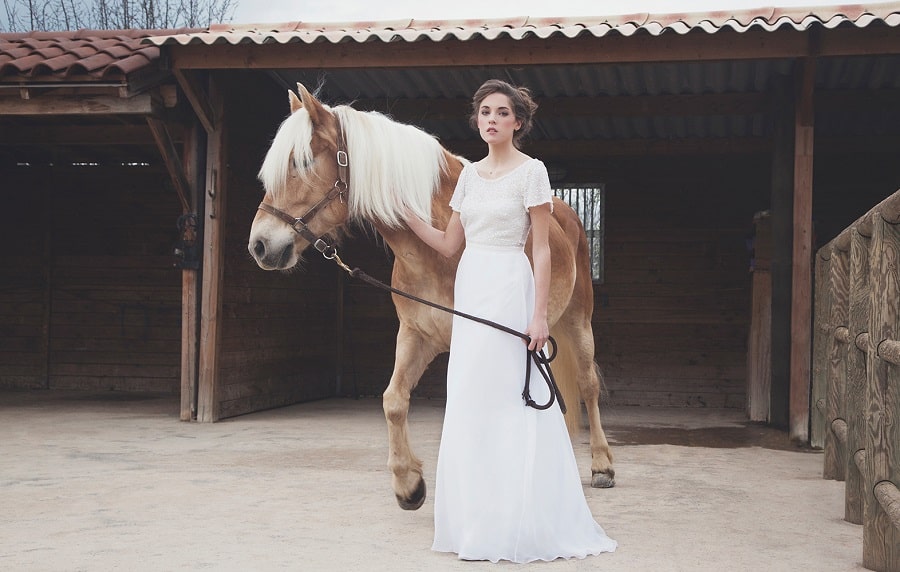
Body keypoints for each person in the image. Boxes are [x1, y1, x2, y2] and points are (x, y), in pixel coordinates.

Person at [403, 79, 617, 563]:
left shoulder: (532, 172)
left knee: (512, 400)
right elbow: (449, 245)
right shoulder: (469, 177)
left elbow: (540, 249)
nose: (492, 119)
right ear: (477, 121)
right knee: (471, 398)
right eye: (485, 112)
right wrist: (410, 219)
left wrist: (538, 315)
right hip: (472, 288)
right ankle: (478, 521)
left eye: (502, 112)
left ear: (518, 122)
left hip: (510, 286)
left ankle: (521, 518)